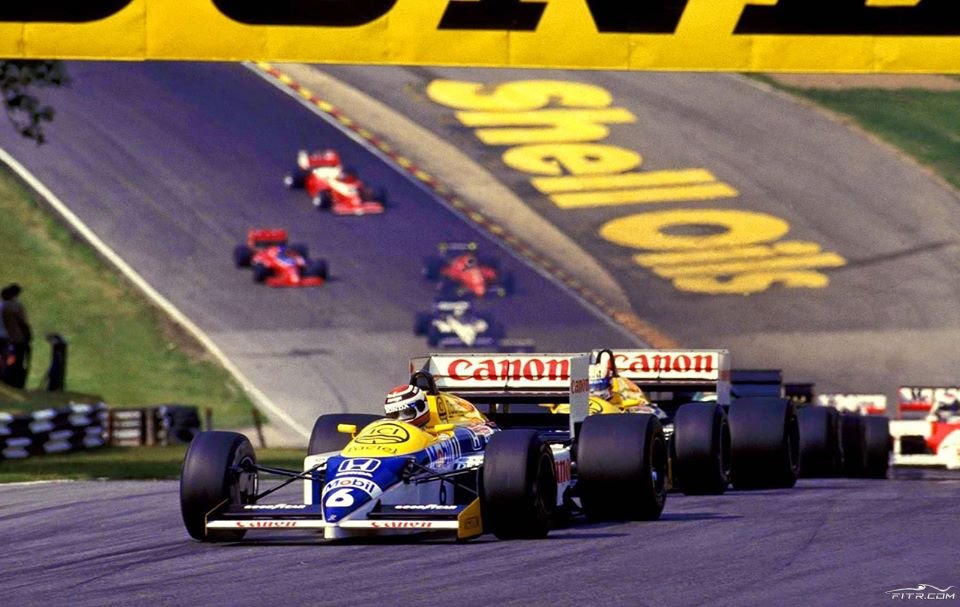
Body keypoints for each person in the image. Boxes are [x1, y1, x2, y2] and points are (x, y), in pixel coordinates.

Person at [1, 283, 32, 389]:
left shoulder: (2, 306)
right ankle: (15, 382)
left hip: (6, 338)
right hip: (16, 339)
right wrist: (28, 335)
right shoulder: (15, 306)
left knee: (6, 360)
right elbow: (23, 323)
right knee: (17, 361)